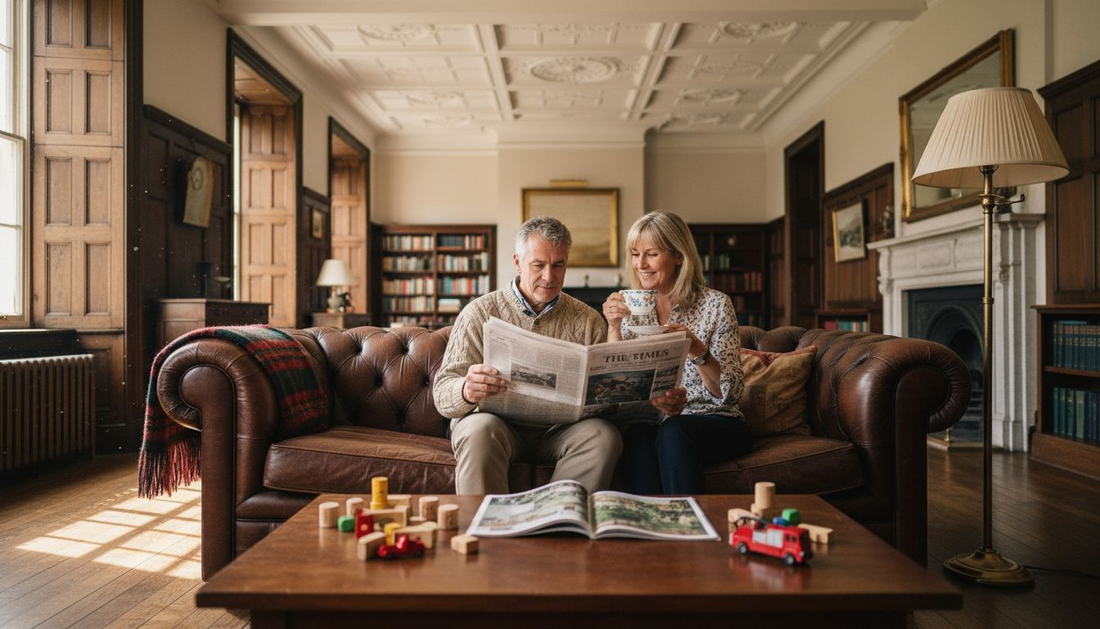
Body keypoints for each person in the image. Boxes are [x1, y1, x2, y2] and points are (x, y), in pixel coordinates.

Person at [434, 217, 646, 495]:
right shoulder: (478, 313)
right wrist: (466, 389)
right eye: (539, 265)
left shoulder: (589, 320)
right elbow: (442, 393)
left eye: (558, 265)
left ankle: (560, 516)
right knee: (478, 429)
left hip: (561, 431)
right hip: (498, 427)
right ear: (518, 262)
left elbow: (607, 401)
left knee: (603, 435)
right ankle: (487, 531)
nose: (549, 276)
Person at [602, 211, 750, 494]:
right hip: (657, 420)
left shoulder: (716, 305)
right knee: (637, 435)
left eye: (651, 254)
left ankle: (688, 526)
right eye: (635, 254)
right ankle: (648, 526)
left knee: (674, 431)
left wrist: (694, 346)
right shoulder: (630, 308)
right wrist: (614, 326)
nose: (640, 264)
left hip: (717, 421)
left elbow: (730, 394)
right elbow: (616, 391)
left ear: (678, 256)